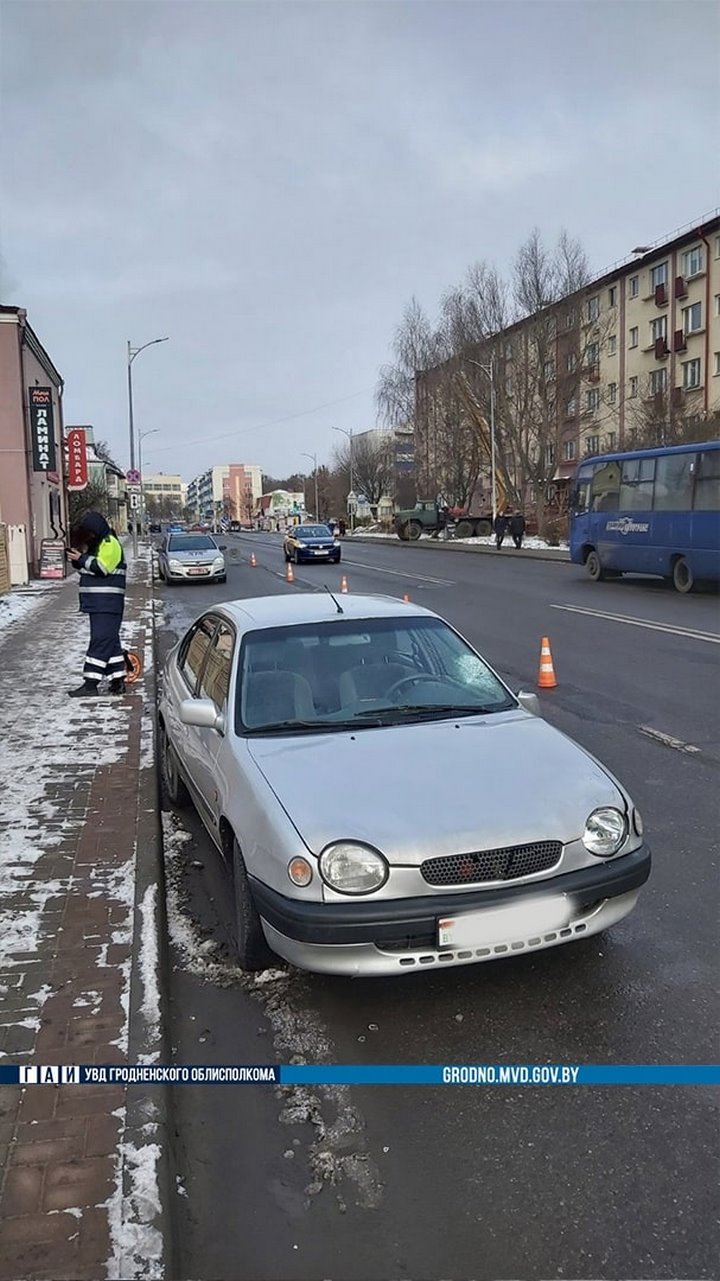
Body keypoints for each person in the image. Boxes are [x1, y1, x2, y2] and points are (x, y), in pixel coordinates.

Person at [66, 512, 127, 697]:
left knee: (100, 641)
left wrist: (81, 560)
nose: (89, 537)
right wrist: (79, 561)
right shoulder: (99, 544)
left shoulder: (109, 543)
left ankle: (90, 684)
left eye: (91, 533)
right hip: (101, 604)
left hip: (107, 603)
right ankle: (118, 680)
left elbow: (101, 567)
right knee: (110, 641)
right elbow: (91, 568)